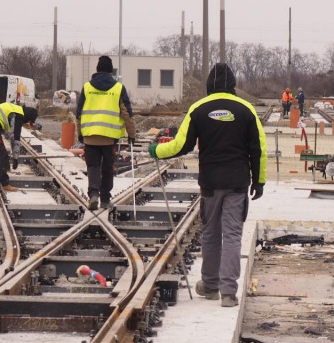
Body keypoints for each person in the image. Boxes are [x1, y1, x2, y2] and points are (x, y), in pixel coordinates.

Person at [149, 62, 266, 307]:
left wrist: (156, 151)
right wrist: (260, 180)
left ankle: (210, 285)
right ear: (233, 85)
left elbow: (182, 145)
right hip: (237, 183)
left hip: (210, 183)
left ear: (209, 85)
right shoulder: (247, 110)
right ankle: (229, 293)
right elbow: (258, 149)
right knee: (233, 234)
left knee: (211, 233)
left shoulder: (198, 109)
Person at [76, 55, 136, 210]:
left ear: (97, 70)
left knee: (93, 166)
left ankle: (94, 194)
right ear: (111, 71)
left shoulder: (87, 87)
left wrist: (80, 134)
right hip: (109, 138)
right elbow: (127, 113)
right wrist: (132, 134)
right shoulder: (118, 88)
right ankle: (105, 200)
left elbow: (79, 113)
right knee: (108, 168)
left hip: (90, 136)